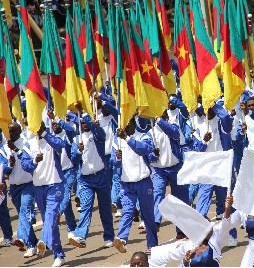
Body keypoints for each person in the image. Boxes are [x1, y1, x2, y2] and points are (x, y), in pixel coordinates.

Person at [19, 122, 65, 267]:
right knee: (49, 222)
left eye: (41, 127)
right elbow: (25, 165)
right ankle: (59, 255)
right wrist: (34, 161)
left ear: (44, 127)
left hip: (55, 184)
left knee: (51, 215)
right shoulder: (30, 143)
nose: (38, 130)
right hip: (39, 187)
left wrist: (45, 133)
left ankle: (43, 241)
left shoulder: (51, 139)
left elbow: (61, 145)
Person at [69, 103, 115, 249]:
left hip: (101, 176)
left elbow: (98, 130)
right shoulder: (77, 140)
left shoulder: (98, 135)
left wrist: (85, 114)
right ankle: (81, 236)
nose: (85, 124)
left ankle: (109, 236)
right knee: (86, 207)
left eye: (86, 122)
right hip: (85, 179)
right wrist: (78, 152)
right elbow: (73, 161)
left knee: (105, 209)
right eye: (82, 122)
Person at [111, 117, 158, 255]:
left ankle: (152, 245)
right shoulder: (116, 141)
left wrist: (126, 138)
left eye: (129, 125)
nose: (127, 127)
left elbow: (143, 150)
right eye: (124, 126)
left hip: (143, 182)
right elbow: (114, 163)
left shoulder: (143, 136)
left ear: (134, 124)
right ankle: (122, 239)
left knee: (148, 215)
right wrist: (118, 158)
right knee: (127, 211)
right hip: (127, 184)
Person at [192, 101, 236, 245]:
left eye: (209, 108)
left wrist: (213, 102)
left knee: (227, 204)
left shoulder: (222, 123)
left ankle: (232, 235)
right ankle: (199, 237)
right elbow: (196, 151)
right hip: (207, 170)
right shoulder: (199, 126)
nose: (208, 111)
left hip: (223, 168)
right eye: (206, 108)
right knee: (202, 205)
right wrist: (204, 142)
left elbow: (227, 117)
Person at [148, 194, 233, 267]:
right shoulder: (189, 246)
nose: (208, 231)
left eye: (210, 228)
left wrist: (227, 208)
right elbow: (171, 254)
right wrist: (186, 259)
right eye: (204, 228)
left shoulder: (216, 241)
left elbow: (225, 226)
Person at [151, 110, 189, 239]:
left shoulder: (173, 127)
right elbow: (147, 153)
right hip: (158, 169)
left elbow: (173, 132)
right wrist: (153, 154)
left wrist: (159, 120)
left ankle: (181, 229)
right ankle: (156, 221)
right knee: (158, 192)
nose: (161, 118)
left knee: (180, 199)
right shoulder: (151, 132)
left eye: (163, 116)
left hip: (175, 167)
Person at [2, 123, 38, 257]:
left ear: (19, 131)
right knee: (24, 216)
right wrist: (9, 166)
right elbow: (3, 170)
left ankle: (22, 238)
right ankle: (32, 244)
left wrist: (16, 149)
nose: (11, 134)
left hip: (28, 184)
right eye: (9, 131)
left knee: (24, 211)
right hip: (14, 187)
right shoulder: (3, 149)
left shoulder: (27, 144)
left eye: (14, 131)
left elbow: (32, 161)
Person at [47, 110, 78, 240]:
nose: (55, 124)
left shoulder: (67, 135)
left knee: (64, 198)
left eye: (57, 123)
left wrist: (57, 118)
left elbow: (71, 129)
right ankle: (72, 227)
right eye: (53, 123)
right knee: (67, 203)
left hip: (69, 171)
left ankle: (58, 212)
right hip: (57, 174)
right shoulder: (51, 138)